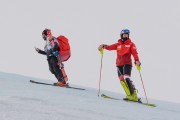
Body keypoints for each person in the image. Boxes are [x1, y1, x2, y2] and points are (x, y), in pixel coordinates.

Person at [98, 29, 141, 102]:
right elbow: (109, 47)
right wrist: (103, 46)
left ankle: (134, 96)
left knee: (126, 77)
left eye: (127, 35)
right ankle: (129, 96)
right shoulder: (118, 44)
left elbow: (135, 53)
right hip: (119, 65)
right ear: (121, 35)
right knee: (121, 80)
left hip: (127, 64)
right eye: (124, 35)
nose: (125, 36)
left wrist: (137, 60)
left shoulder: (131, 44)